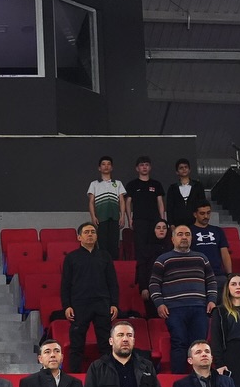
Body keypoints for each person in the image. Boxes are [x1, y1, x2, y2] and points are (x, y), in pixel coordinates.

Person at [149, 224, 217, 375]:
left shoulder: (202, 258)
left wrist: (212, 300)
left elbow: (211, 281)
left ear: (192, 238)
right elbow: (154, 284)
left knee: (199, 346)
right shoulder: (163, 260)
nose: (184, 237)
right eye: (180, 234)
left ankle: (200, 380)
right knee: (179, 343)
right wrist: (159, 304)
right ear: (172, 239)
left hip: (200, 308)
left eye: (187, 234)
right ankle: (179, 379)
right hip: (174, 309)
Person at [58, 222, 118, 371]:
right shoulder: (71, 258)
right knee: (77, 344)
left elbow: (112, 282)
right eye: (86, 232)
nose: (90, 234)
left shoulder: (105, 256)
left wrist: (114, 304)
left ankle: (108, 375)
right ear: (79, 237)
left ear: (97, 236)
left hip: (102, 304)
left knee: (106, 343)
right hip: (79, 305)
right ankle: (75, 377)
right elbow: (65, 284)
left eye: (93, 232)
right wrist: (67, 306)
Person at [123, 155, 165, 265]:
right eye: (142, 165)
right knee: (140, 248)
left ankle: (155, 269)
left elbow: (160, 202)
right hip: (139, 220)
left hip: (155, 220)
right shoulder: (132, 185)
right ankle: (141, 271)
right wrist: (129, 219)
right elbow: (128, 203)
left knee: (155, 246)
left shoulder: (156, 184)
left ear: (150, 167)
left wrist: (162, 220)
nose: (144, 167)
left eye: (147, 165)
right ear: (137, 168)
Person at [86, 155, 125, 260]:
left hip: (115, 218)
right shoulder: (94, 184)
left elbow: (122, 201)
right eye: (103, 164)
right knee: (102, 244)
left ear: (112, 167)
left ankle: (114, 265)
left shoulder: (118, 183)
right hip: (101, 219)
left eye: (108, 164)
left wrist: (122, 216)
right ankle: (103, 265)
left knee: (114, 244)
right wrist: (93, 217)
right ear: (99, 168)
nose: (106, 166)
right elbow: (91, 202)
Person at [134, 219, 172, 319]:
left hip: (170, 290)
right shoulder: (145, 249)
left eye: (164, 228)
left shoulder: (171, 249)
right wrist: (143, 288)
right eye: (158, 228)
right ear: (153, 230)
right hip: (151, 289)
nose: (161, 230)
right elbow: (141, 269)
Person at [189, 202, 232, 287]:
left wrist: (229, 274)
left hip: (217, 274)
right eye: (202, 213)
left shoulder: (218, 231)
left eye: (208, 213)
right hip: (197, 276)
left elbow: (225, 254)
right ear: (195, 214)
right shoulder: (188, 231)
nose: (206, 216)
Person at [164, 158, 206, 232]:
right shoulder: (173, 188)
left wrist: (202, 220)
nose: (184, 169)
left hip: (195, 223)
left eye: (186, 167)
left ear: (189, 170)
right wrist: (171, 224)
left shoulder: (198, 186)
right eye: (181, 168)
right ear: (177, 172)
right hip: (178, 223)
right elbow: (169, 208)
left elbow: (203, 204)